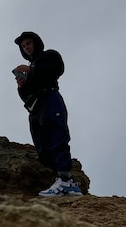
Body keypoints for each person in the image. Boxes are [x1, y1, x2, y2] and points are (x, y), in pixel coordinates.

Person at [13, 31, 82, 196]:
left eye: (28, 43)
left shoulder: (49, 55)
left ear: (36, 43)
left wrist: (31, 70)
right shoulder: (30, 70)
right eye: (23, 46)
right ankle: (63, 180)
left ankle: (65, 181)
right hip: (36, 109)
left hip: (50, 98)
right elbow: (25, 96)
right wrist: (22, 85)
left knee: (57, 138)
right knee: (43, 148)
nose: (26, 47)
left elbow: (57, 68)